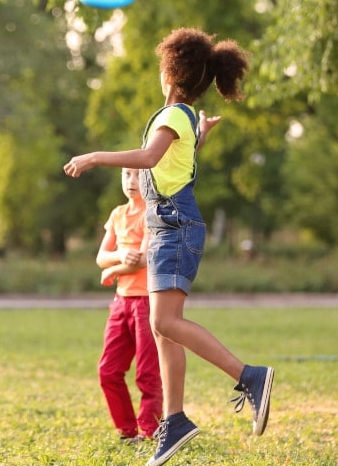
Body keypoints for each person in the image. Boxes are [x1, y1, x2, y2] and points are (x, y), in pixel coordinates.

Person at [64, 28, 274, 466]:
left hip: (174, 225)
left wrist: (94, 156)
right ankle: (174, 420)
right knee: (162, 328)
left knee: (164, 320)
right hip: (168, 224)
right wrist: (203, 137)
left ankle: (249, 376)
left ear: (172, 75)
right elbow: (177, 162)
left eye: (164, 67)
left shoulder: (175, 114)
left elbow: (149, 159)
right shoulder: (181, 117)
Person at [96, 167, 161, 443]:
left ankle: (151, 431)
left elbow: (144, 258)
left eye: (138, 175)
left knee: (147, 373)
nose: (131, 181)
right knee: (108, 370)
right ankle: (127, 430)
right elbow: (101, 256)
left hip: (147, 302)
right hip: (121, 303)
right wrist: (119, 255)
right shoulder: (117, 214)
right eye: (126, 174)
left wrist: (112, 271)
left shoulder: (152, 213)